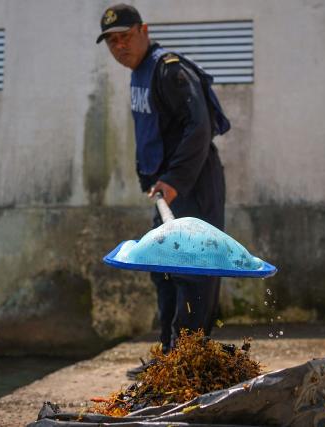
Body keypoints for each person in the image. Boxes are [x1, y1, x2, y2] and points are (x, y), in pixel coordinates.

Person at [96, 4, 230, 377]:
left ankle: (189, 360)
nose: (119, 46)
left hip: (193, 184)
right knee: (165, 269)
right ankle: (171, 356)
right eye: (111, 42)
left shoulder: (168, 70)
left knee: (192, 270)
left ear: (144, 30)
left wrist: (173, 181)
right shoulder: (140, 72)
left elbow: (199, 129)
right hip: (168, 188)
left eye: (125, 37)